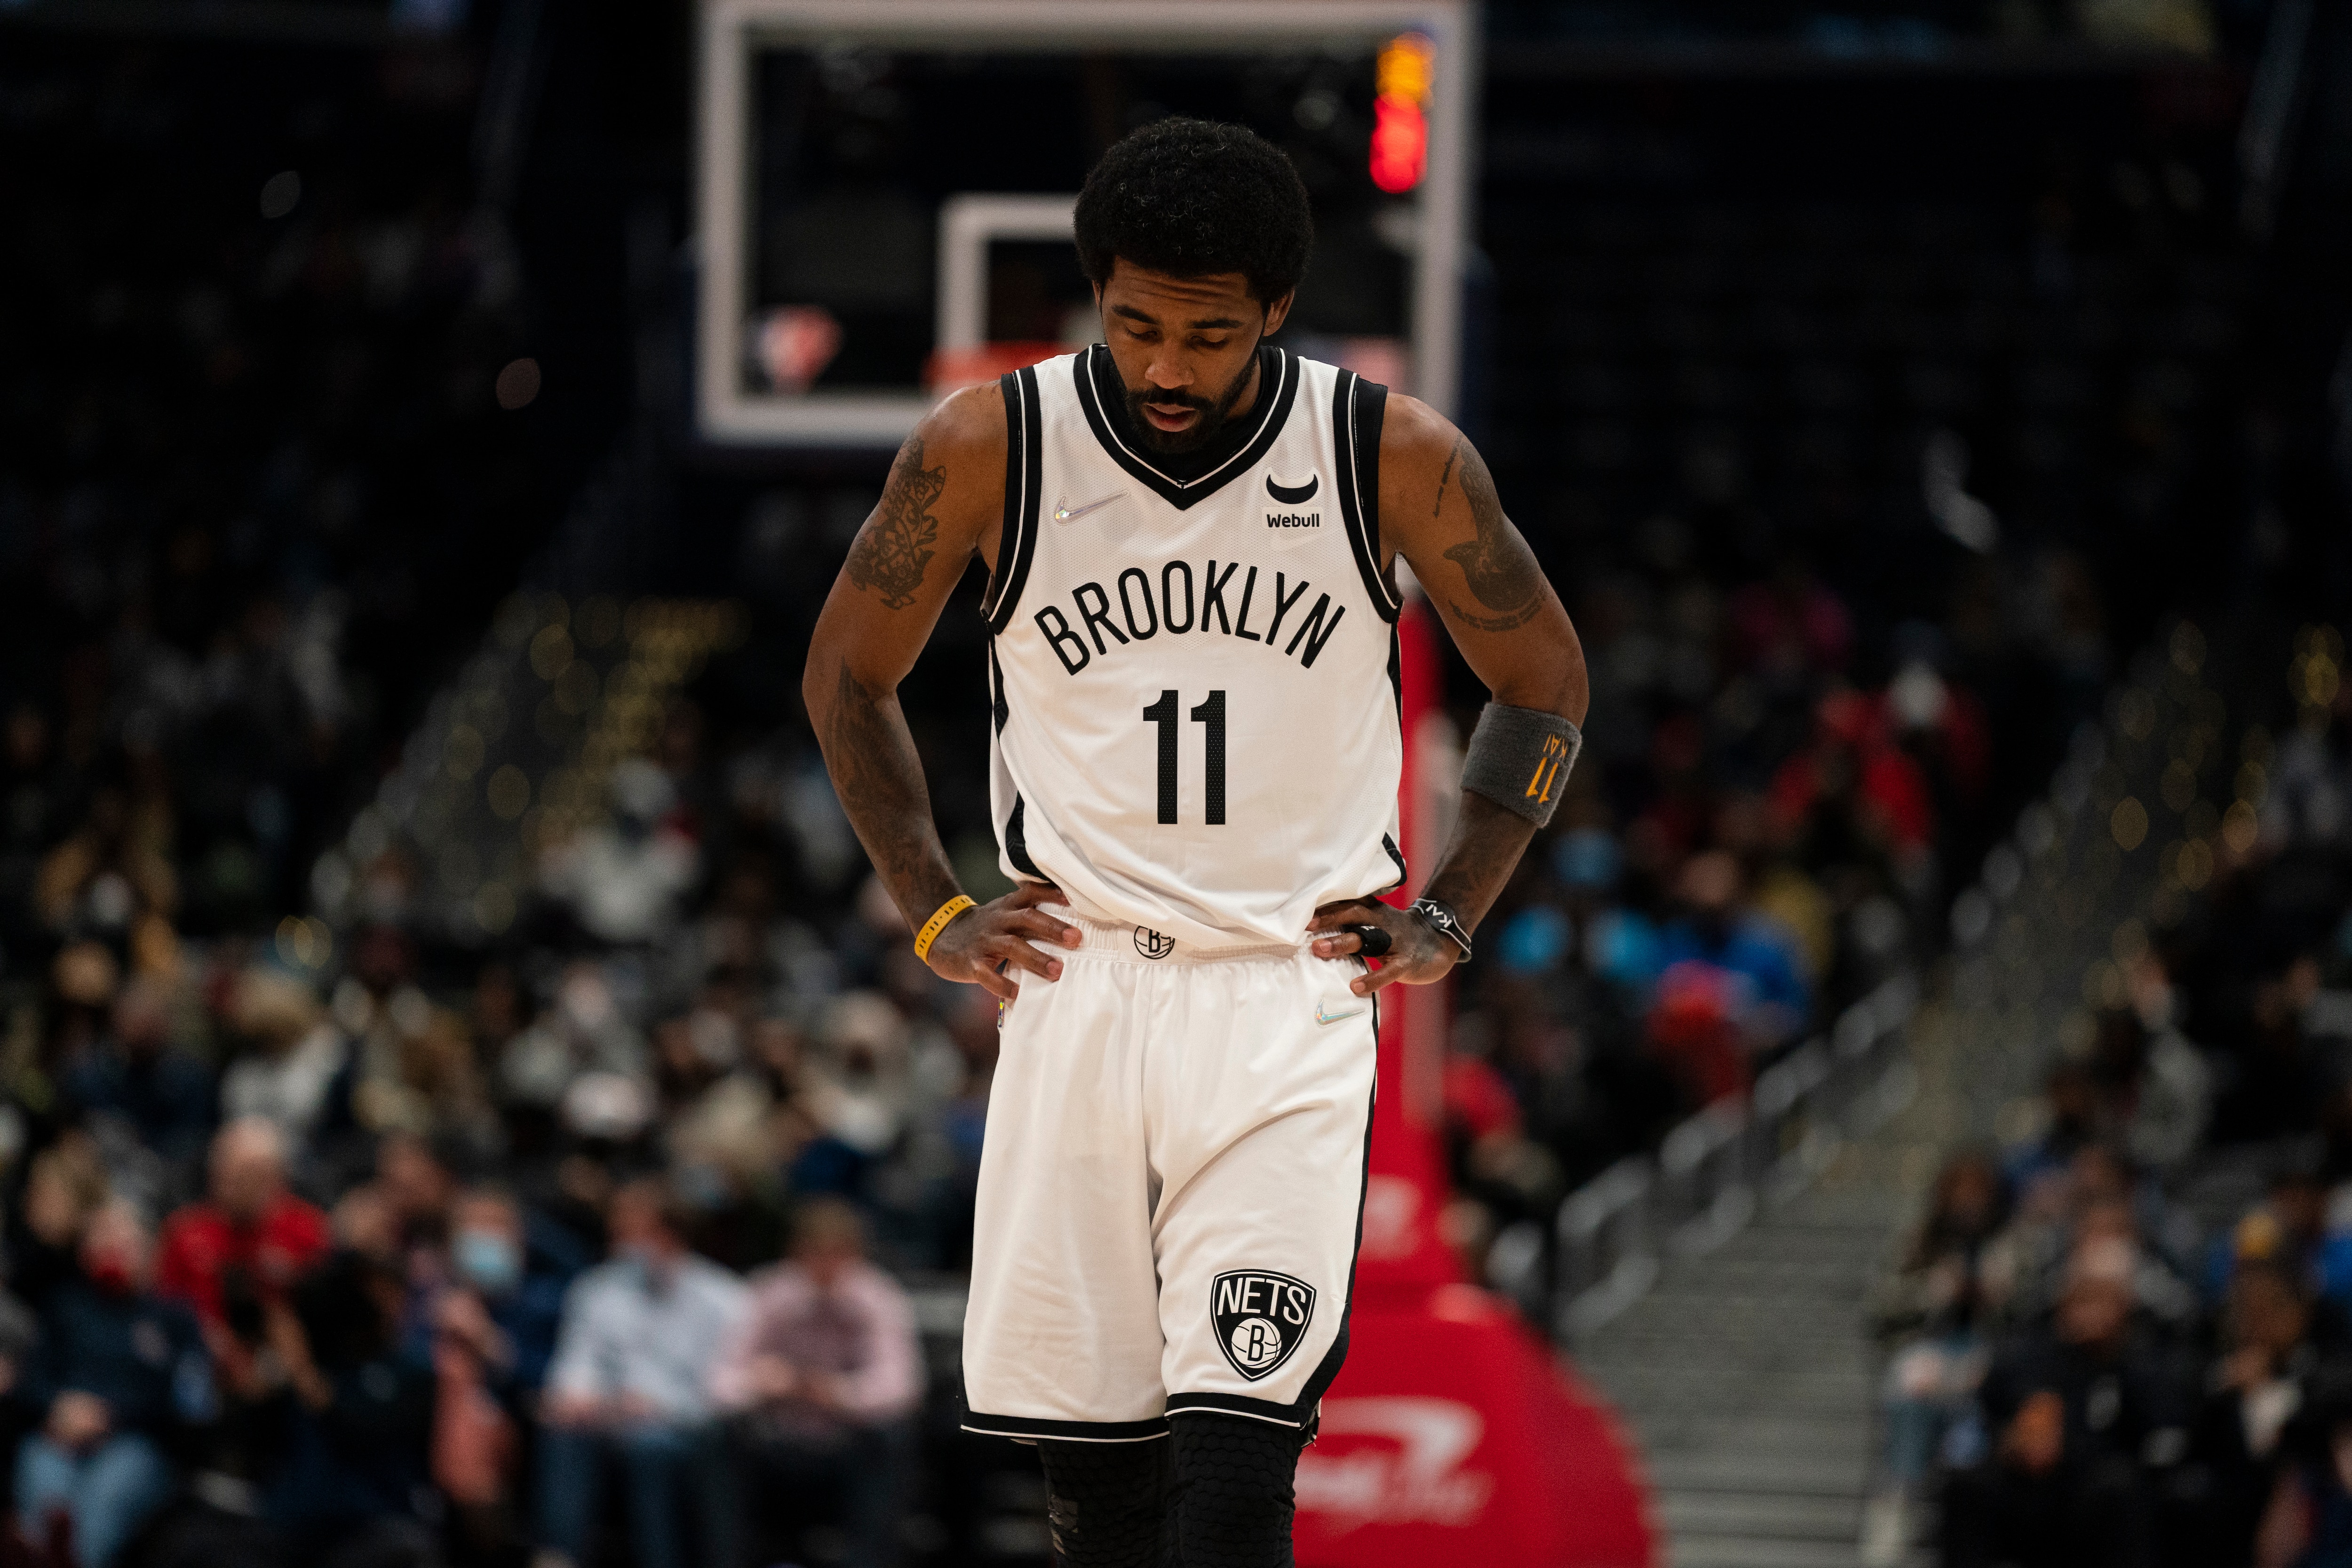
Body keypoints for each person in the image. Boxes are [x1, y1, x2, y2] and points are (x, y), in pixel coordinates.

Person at [802, 117, 1588, 1563]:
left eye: (1208, 335)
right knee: (1096, 1490)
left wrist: (1452, 908)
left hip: (1282, 994)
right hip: (1078, 989)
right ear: (1093, 295)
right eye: (1136, 324)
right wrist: (931, 903)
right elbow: (843, 673)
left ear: (1275, 313)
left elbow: (1544, 679)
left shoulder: (1386, 450)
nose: (1166, 366)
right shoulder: (990, 441)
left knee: (1233, 1477)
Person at [535, 1178, 746, 1568]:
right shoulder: (598, 1287)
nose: (618, 1240)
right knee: (564, 1428)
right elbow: (578, 1359)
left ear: (668, 1233)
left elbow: (724, 1390)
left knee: (650, 1447)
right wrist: (574, 1395)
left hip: (684, 1425)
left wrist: (657, 1406)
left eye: (631, 1230)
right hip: (608, 1414)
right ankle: (560, 1557)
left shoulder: (724, 1299)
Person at [709, 1199, 921, 1568]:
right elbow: (719, 1384)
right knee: (716, 1436)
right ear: (796, 1253)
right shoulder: (770, 1293)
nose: (825, 1265)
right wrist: (763, 1382)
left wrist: (838, 1393)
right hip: (777, 1446)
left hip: (847, 1447)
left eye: (836, 1254)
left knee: (890, 1438)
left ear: (855, 1255)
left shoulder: (878, 1298)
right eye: (815, 1253)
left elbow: (902, 1387)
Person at [17, 1199, 211, 1568]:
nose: (112, 1247)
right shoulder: (64, 1306)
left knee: (104, 1498)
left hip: (137, 1443)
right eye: (102, 1238)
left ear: (148, 1247)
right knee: (45, 1486)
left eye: (123, 1238)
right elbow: (31, 1381)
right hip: (60, 1436)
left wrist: (112, 1415)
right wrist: (56, 1407)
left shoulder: (175, 1317)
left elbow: (191, 1406)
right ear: (85, 1250)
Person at [152, 1119, 332, 1386]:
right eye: (223, 1170)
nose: (231, 1183)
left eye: (247, 1174)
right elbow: (162, 1309)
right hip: (206, 1369)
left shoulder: (306, 1229)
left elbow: (328, 1310)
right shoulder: (184, 1232)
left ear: (276, 1178)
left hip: (294, 1366)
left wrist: (292, 1276)